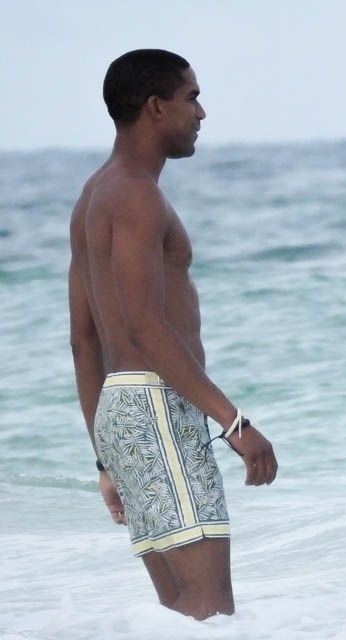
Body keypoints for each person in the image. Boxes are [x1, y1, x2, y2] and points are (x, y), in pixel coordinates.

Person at [68, 49, 279, 619]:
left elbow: (84, 342)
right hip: (158, 407)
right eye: (192, 98)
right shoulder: (136, 193)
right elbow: (144, 325)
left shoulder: (92, 196)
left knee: (184, 616)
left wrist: (106, 459)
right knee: (212, 611)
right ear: (155, 107)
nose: (201, 113)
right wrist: (234, 423)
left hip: (121, 412)